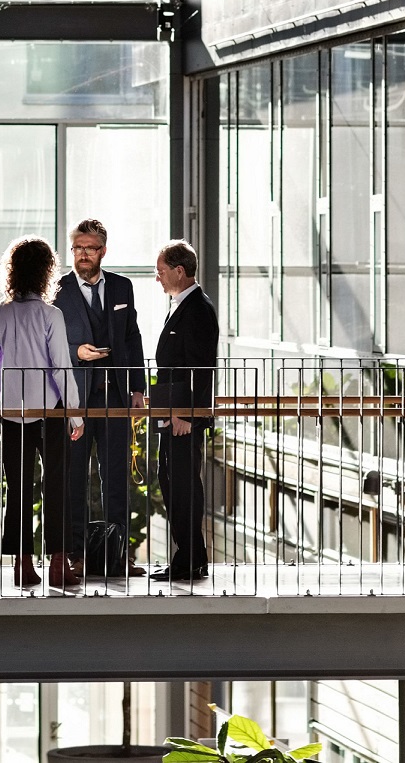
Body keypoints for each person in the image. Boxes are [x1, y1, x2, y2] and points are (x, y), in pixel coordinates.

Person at [0, 236, 85, 590]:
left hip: (12, 412)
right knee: (57, 486)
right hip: (51, 412)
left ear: (13, 272)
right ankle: (59, 564)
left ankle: (22, 566)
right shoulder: (50, 315)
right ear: (46, 272)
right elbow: (62, 367)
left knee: (18, 489)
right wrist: (75, 415)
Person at [53, 218, 146, 578]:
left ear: (103, 251)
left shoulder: (122, 287)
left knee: (116, 478)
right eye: (77, 248)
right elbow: (52, 343)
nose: (82, 255)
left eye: (89, 249)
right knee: (75, 477)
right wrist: (78, 352)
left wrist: (138, 388)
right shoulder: (58, 290)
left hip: (116, 397)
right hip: (74, 400)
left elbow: (133, 337)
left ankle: (118, 556)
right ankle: (75, 555)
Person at [142, 240, 217, 582]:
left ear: (179, 271)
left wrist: (187, 414)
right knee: (171, 481)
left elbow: (201, 368)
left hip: (182, 418)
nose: (157, 278)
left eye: (160, 271)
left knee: (184, 486)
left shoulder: (197, 309)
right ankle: (188, 556)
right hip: (169, 413)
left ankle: (190, 560)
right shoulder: (179, 305)